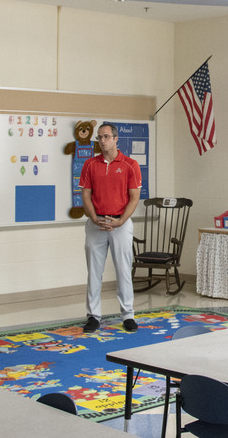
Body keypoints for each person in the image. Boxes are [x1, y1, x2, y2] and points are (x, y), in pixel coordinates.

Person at [79, 123, 142, 333]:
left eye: (106, 137)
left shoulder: (130, 164)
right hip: (96, 224)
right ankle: (93, 316)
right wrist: (94, 217)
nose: (102, 141)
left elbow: (134, 197)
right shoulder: (89, 164)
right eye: (99, 138)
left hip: (120, 224)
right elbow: (86, 194)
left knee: (124, 270)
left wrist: (122, 220)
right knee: (94, 272)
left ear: (116, 139)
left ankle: (128, 315)